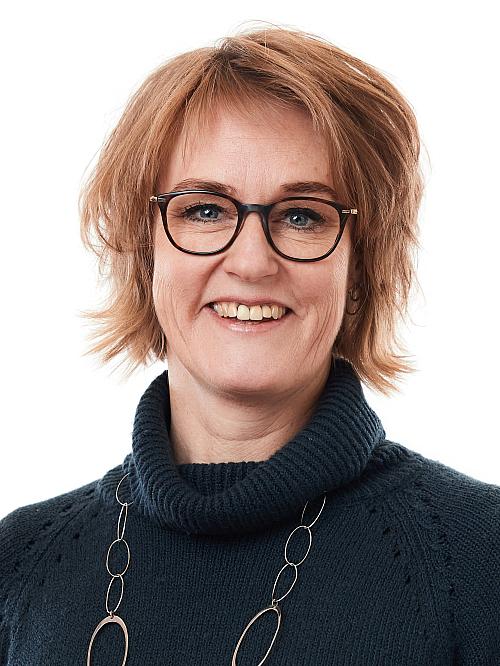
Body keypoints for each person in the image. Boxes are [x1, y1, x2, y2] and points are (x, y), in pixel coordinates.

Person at [1, 23, 498, 666]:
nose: (253, 262)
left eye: (302, 216)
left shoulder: (478, 560)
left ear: (361, 266)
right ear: (143, 250)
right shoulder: (19, 565)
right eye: (205, 210)